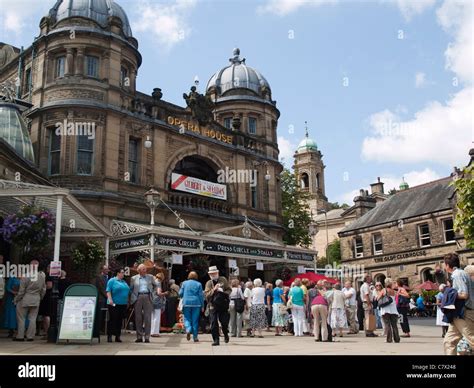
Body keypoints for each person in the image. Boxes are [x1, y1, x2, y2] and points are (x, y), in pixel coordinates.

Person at [443, 254, 473, 355]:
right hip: (458, 313)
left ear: (447, 265)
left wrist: (447, 291)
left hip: (463, 312)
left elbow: (464, 295)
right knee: (449, 342)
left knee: (471, 339)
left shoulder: (457, 274)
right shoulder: (462, 273)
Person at [14, 260, 46, 341]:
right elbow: (43, 289)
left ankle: (20, 336)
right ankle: (30, 336)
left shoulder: (25, 276)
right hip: (36, 298)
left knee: (21, 318)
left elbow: (21, 291)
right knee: (33, 318)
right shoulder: (42, 276)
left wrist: (16, 299)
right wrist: (40, 297)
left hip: (25, 298)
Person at [129, 264, 158, 343]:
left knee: (147, 318)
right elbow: (131, 289)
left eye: (145, 269)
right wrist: (133, 296)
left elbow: (156, 286)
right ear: (139, 270)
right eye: (143, 269)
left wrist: (153, 293)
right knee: (138, 318)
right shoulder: (133, 278)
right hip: (138, 297)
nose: (145, 270)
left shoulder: (150, 277)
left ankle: (147, 337)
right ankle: (139, 337)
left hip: (147, 297)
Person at [204, 266, 231, 346]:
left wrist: (223, 292)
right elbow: (207, 295)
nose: (213, 275)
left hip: (223, 304)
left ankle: (225, 334)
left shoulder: (223, 279)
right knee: (213, 323)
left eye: (214, 273)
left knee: (224, 322)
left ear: (217, 273)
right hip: (213, 305)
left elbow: (229, 289)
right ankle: (216, 340)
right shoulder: (209, 283)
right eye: (211, 273)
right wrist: (214, 290)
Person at [106, 268, 130, 342]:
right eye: (122, 272)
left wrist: (128, 301)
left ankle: (117, 336)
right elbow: (108, 290)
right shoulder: (112, 280)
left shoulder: (124, 282)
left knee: (120, 320)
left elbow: (128, 291)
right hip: (113, 303)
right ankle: (109, 336)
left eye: (124, 273)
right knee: (113, 319)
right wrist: (110, 299)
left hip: (123, 304)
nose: (123, 274)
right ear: (118, 273)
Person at [179, 271, 204, 342]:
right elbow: (201, 296)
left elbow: (180, 293)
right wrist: (202, 305)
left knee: (187, 318)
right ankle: (195, 337)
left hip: (186, 303)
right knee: (195, 320)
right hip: (196, 304)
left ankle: (188, 329)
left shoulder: (184, 283)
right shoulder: (199, 284)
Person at [376, 279, 400, 343]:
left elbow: (378, 298)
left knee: (387, 324)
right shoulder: (394, 291)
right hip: (394, 309)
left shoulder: (384, 290)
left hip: (386, 309)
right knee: (394, 325)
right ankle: (397, 339)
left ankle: (389, 339)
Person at [37, 264, 52, 338]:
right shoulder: (55, 276)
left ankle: (47, 332)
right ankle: (46, 332)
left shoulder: (49, 276)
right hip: (49, 296)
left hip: (46, 297)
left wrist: (41, 286)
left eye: (48, 267)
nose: (47, 269)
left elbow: (49, 286)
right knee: (46, 315)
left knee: (46, 315)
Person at [151, 274, 167, 338]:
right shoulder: (158, 283)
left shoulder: (153, 282)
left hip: (152, 300)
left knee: (152, 317)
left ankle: (151, 331)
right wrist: (165, 293)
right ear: (162, 278)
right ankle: (155, 332)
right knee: (157, 317)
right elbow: (159, 293)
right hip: (157, 301)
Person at [95, 264, 109, 334]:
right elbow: (101, 288)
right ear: (102, 270)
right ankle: (99, 329)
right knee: (100, 314)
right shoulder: (99, 277)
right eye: (106, 269)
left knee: (105, 315)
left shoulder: (108, 277)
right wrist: (108, 296)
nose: (107, 270)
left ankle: (104, 329)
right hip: (101, 299)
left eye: (107, 269)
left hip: (107, 298)